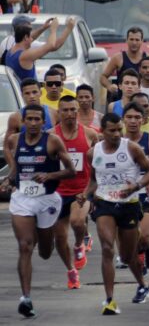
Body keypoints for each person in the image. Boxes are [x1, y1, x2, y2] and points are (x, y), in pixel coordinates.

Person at [78, 112, 149, 314]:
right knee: (107, 248)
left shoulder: (131, 147)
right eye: (112, 130)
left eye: (119, 129)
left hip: (128, 204)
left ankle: (142, 284)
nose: (117, 134)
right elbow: (94, 180)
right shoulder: (92, 153)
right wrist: (85, 194)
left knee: (128, 255)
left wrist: (135, 186)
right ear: (102, 131)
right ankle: (109, 300)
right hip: (105, 203)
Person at [3, 104, 76, 318]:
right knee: (25, 246)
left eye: (37, 119)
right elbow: (16, 168)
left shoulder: (53, 141)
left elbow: (71, 171)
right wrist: (9, 180)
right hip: (23, 198)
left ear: (44, 122)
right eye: (29, 120)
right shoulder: (14, 140)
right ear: (23, 122)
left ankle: (46, 237)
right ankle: (26, 298)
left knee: (44, 252)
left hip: (47, 199)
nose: (33, 123)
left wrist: (50, 176)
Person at [52, 96, 99, 290]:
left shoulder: (90, 134)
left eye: (73, 110)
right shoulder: (51, 136)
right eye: (66, 110)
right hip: (56, 192)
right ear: (59, 112)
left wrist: (93, 189)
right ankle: (71, 270)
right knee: (60, 238)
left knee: (78, 221)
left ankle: (80, 244)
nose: (70, 114)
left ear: (77, 111)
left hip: (81, 190)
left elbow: (98, 164)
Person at [122, 102, 149, 274]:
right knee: (132, 237)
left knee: (144, 236)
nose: (132, 121)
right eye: (129, 117)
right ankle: (141, 256)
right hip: (124, 193)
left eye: (137, 117)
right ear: (123, 120)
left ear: (143, 120)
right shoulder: (117, 142)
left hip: (147, 192)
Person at [6, 16, 75, 82]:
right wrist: (55, 29)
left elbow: (30, 37)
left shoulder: (11, 50)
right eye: (30, 37)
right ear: (26, 37)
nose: (32, 39)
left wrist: (43, 28)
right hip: (27, 90)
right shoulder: (25, 55)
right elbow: (51, 45)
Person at [100, 27, 146, 99]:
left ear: (142, 41)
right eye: (131, 39)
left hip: (141, 100)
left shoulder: (148, 58)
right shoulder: (118, 58)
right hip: (122, 101)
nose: (134, 43)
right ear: (126, 40)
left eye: (137, 40)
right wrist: (109, 86)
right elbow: (103, 77)